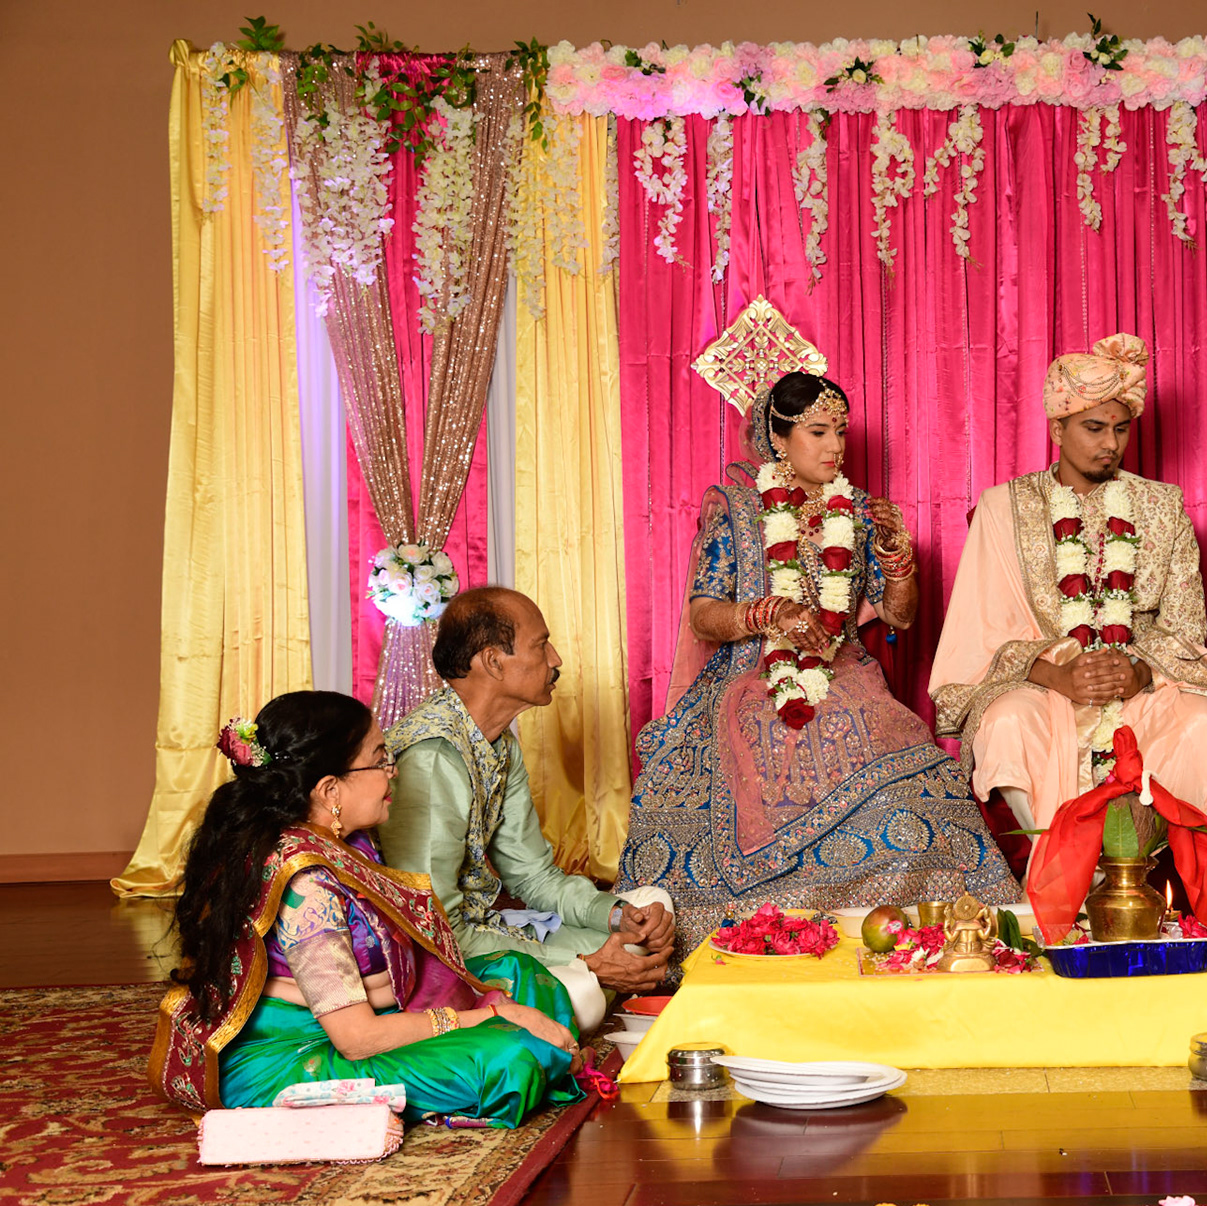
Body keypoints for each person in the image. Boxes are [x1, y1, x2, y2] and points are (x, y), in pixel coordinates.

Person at [617, 372, 1020, 947]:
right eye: (818, 432)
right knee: (763, 734)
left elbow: (900, 616)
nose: (836, 446)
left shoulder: (857, 513)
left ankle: (915, 916)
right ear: (779, 439)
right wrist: (771, 614)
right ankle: (767, 918)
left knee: (893, 753)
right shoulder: (737, 510)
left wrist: (896, 557)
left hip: (844, 667)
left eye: (841, 432)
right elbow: (704, 614)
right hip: (749, 671)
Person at [152, 691, 584, 1126]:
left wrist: (435, 1004)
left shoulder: (347, 842)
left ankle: (540, 1050)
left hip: (363, 1011)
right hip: (299, 1051)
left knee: (519, 973)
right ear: (330, 789)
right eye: (379, 760)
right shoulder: (306, 884)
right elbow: (356, 1038)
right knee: (509, 1056)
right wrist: (489, 1015)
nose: (392, 772)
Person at [928, 334, 1207, 835]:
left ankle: (1150, 866)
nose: (1111, 444)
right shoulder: (1003, 507)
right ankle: (1056, 860)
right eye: (1094, 428)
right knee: (1007, 722)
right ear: (1057, 428)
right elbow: (977, 635)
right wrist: (1057, 676)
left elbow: (1186, 629)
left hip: (1145, 686)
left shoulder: (1162, 506)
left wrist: (1140, 672)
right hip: (1041, 687)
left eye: (1121, 429)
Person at [380, 589, 674, 1033]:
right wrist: (584, 961)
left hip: (487, 927)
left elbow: (533, 876)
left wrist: (615, 915)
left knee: (650, 910)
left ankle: (586, 984)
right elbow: (435, 930)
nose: (555, 660)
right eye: (541, 645)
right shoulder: (432, 756)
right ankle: (579, 991)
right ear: (494, 662)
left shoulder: (498, 742)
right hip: (435, 958)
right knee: (583, 994)